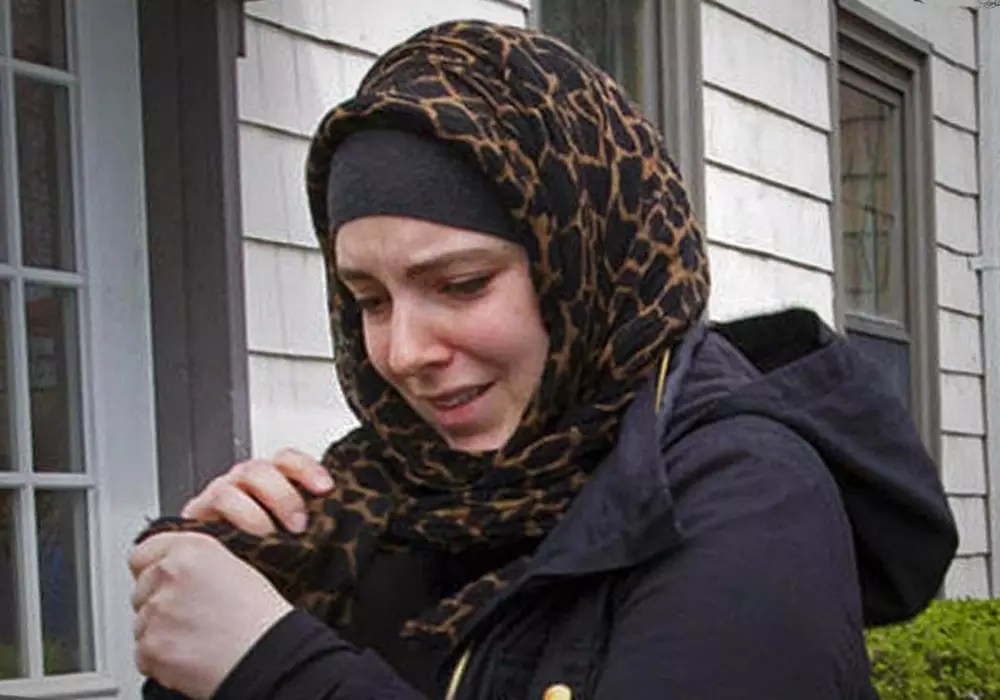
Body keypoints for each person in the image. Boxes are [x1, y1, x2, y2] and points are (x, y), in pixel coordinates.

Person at [128, 19, 958, 700]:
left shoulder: (748, 495)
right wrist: (246, 580)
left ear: (588, 264)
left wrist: (273, 665)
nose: (404, 353)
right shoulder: (384, 501)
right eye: (369, 300)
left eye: (460, 284)